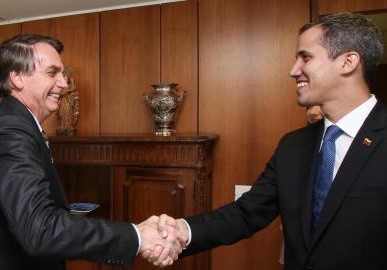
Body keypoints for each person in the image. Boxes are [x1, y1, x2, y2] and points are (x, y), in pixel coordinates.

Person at [146, 12, 387, 270]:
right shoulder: (293, 146)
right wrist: (182, 231)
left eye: (305, 57)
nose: (293, 70)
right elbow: (246, 213)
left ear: (348, 62)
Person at [0, 34, 182, 270]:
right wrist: (137, 236)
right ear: (17, 77)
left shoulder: (16, 123)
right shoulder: (9, 129)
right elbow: (40, 229)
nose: (64, 84)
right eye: (51, 73)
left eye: (62, 74)